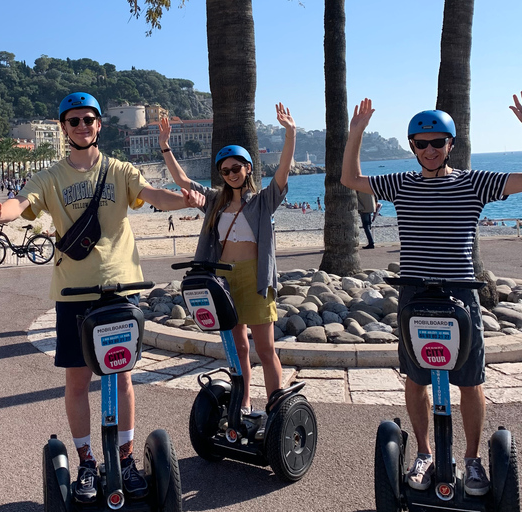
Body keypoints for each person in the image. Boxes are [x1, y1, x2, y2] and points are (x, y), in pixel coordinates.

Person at [0, 92, 203, 505]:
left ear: (99, 125)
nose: (82, 126)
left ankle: (127, 459)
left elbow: (154, 196)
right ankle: (85, 461)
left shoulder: (119, 170)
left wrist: (184, 198)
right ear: (64, 127)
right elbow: (20, 203)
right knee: (78, 380)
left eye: (89, 120)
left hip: (120, 289)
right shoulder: (51, 176)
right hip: (73, 293)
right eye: (74, 121)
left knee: (123, 378)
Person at [341, 97, 522, 497]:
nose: (429, 150)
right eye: (420, 143)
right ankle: (424, 453)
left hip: (461, 293)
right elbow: (351, 180)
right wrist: (356, 134)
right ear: (412, 147)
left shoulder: (474, 182)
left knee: (470, 381)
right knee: (417, 377)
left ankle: (472, 460)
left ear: (450, 144)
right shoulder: (401, 183)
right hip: (414, 294)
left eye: (437, 142)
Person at [159, 102, 296, 413]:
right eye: (225, 171)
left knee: (266, 347)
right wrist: (166, 147)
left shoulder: (263, 201)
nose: (232, 174)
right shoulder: (214, 201)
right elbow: (182, 182)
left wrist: (290, 134)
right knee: (238, 348)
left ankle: (276, 408)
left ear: (247, 168)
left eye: (237, 168)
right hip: (223, 279)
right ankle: (242, 403)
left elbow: (283, 173)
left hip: (256, 278)